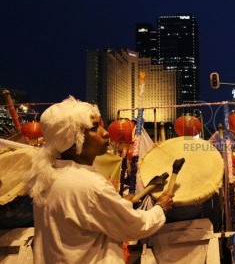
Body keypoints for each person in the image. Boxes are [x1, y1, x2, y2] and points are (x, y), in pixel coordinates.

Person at [24, 96, 178, 263]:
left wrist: (117, 203)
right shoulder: (90, 185)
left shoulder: (46, 177)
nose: (105, 133)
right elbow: (134, 226)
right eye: (94, 128)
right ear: (73, 139)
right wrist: (160, 208)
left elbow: (86, 215)